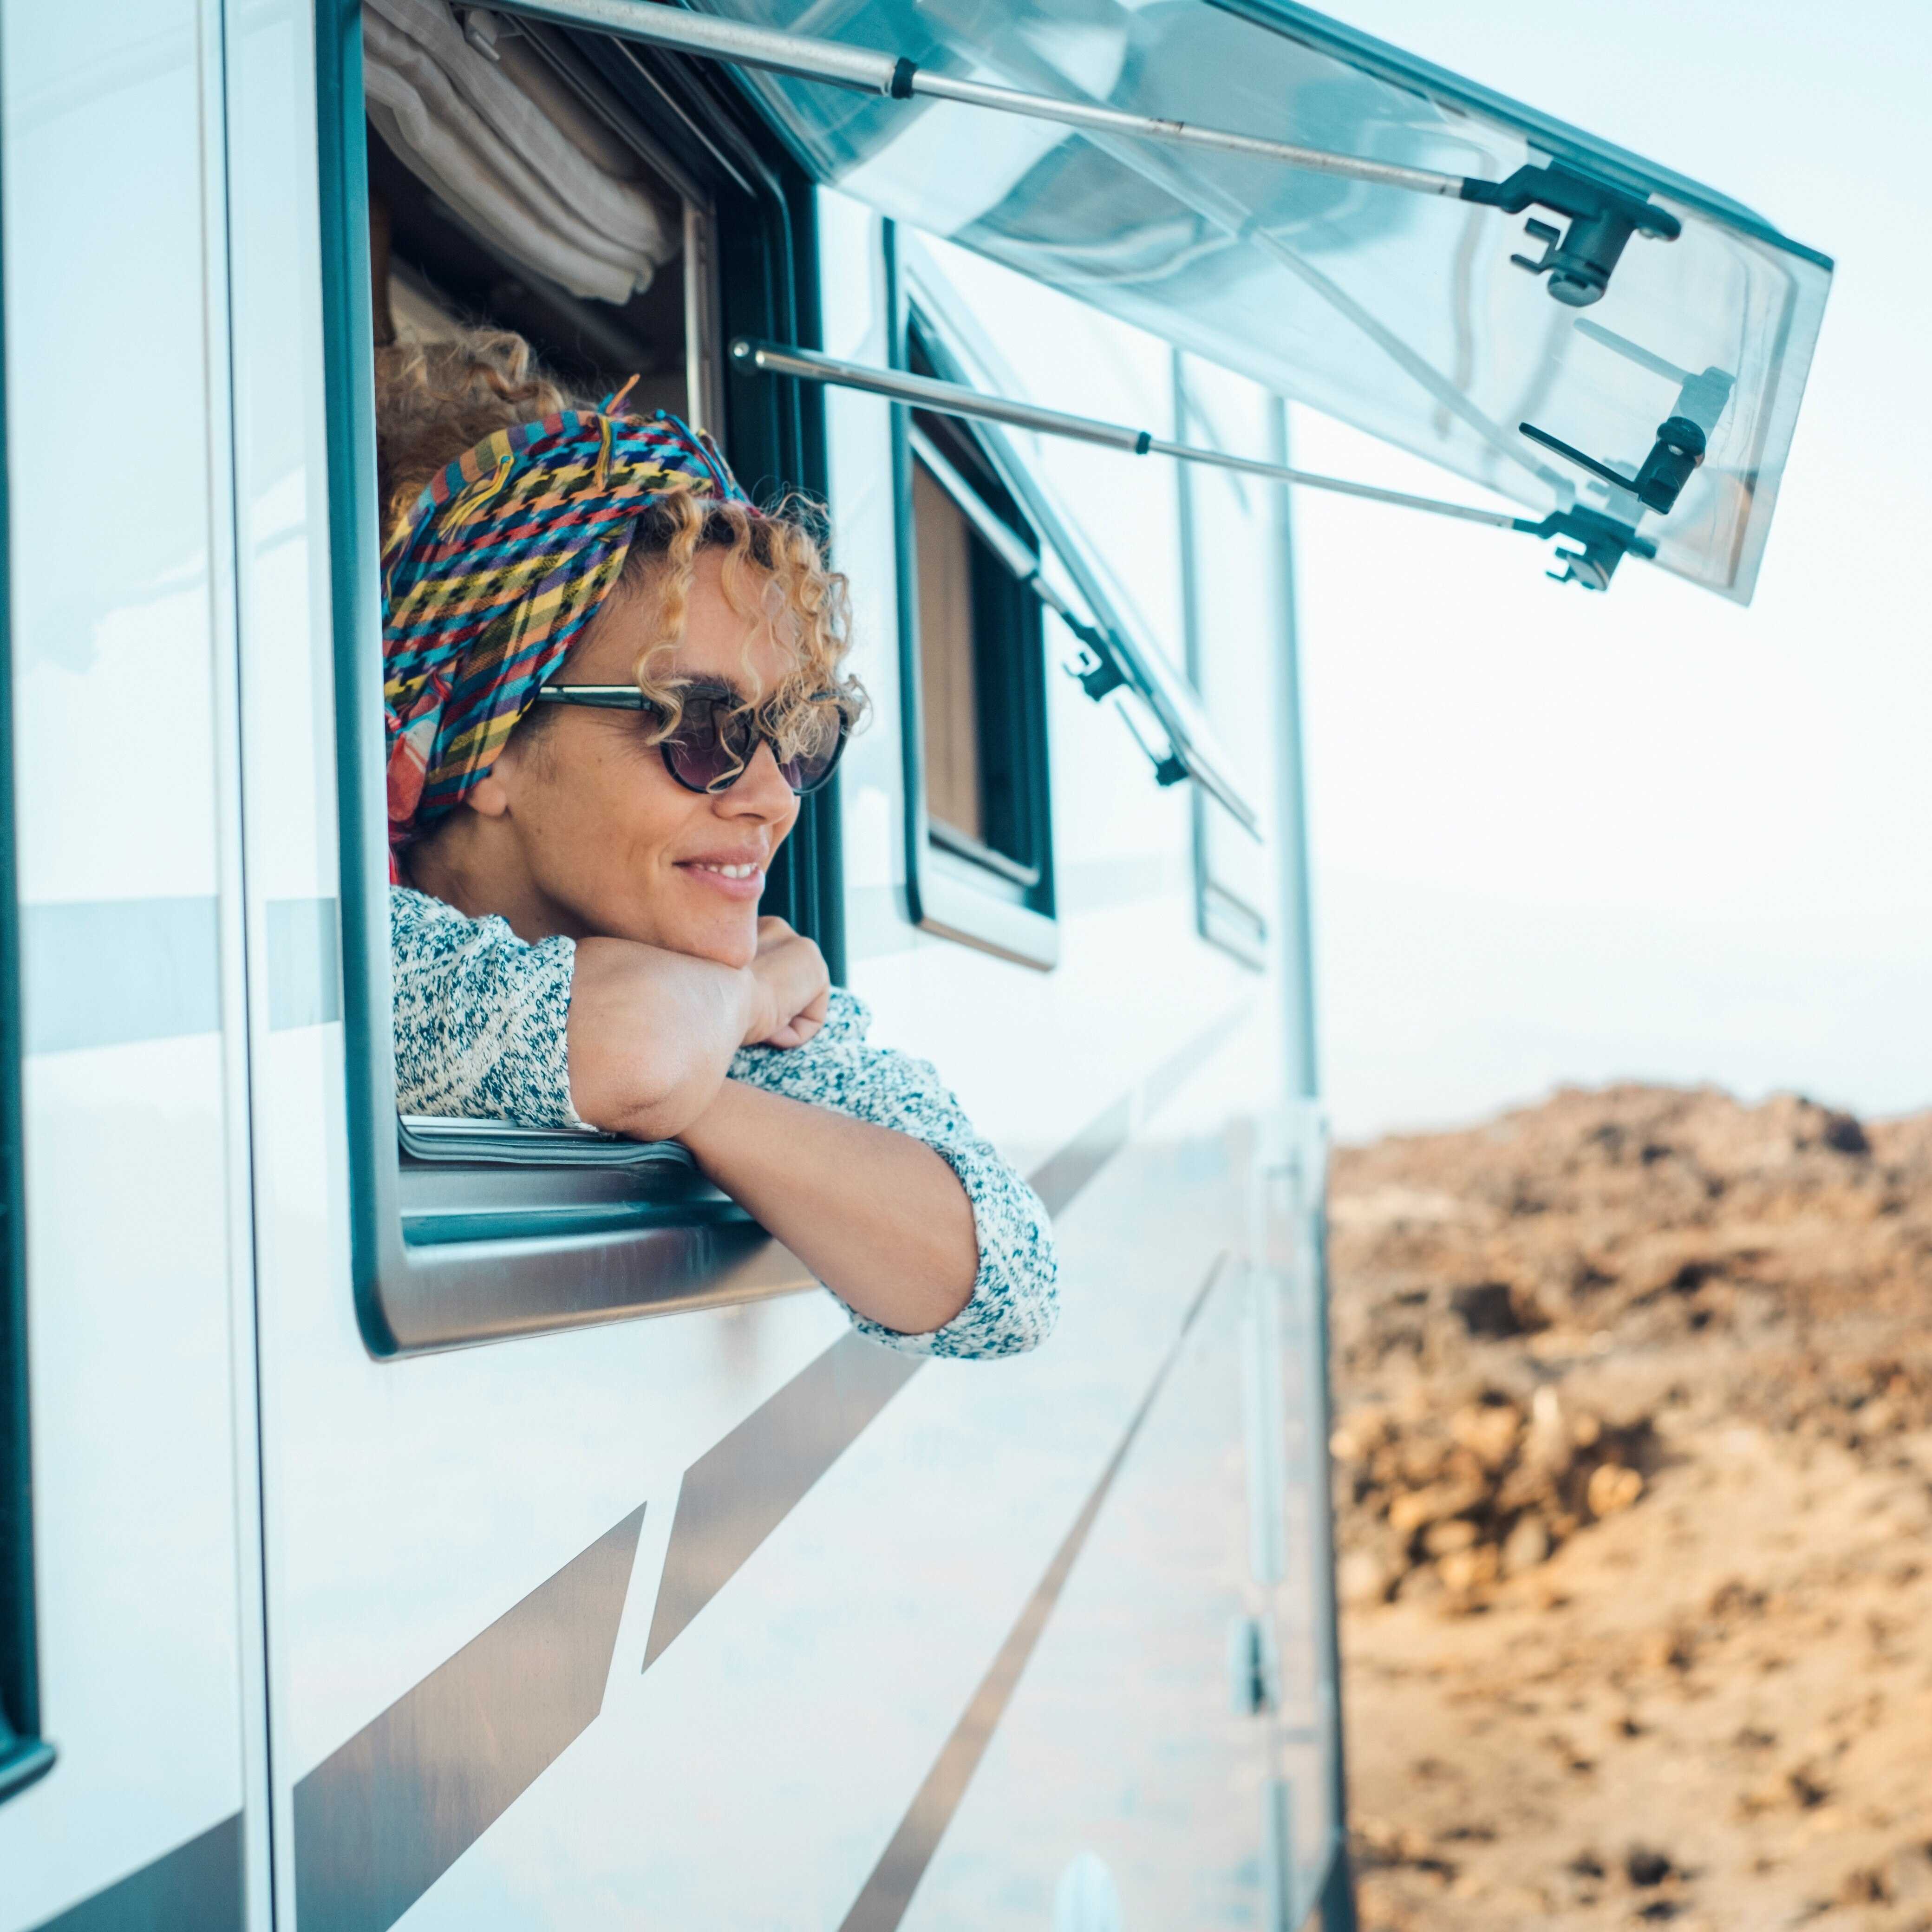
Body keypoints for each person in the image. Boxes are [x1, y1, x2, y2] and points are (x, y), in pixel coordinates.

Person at [378, 332, 1057, 1358]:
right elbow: (634, 1044)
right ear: (488, 741)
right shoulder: (363, 953)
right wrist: (739, 1009)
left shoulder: (691, 989)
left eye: (795, 735)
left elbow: (1004, 1277)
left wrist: (705, 1091)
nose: (772, 798)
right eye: (699, 729)